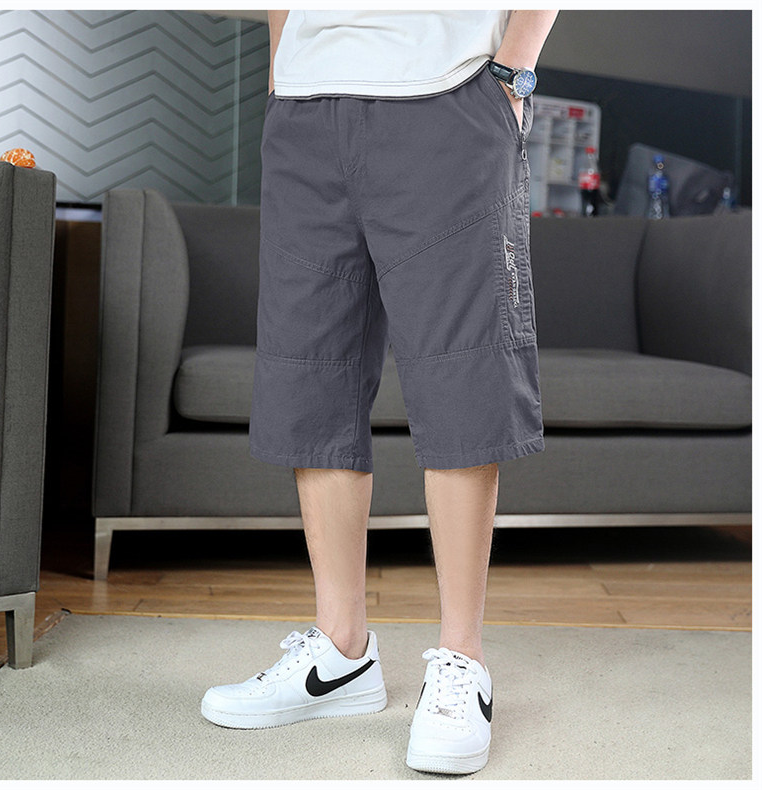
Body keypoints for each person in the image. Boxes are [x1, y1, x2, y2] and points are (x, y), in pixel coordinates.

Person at [202, 9, 559, 775]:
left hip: (447, 93)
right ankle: (341, 654)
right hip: (305, 108)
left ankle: (463, 659)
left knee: (460, 371)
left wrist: (511, 71)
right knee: (310, 373)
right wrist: (282, 70)